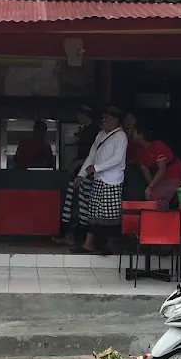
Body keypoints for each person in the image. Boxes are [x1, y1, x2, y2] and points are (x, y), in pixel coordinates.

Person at [78, 105, 128, 253]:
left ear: (116, 120)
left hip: (112, 181)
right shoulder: (100, 135)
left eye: (107, 117)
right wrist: (82, 174)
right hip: (99, 180)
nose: (104, 120)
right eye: (104, 117)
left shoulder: (121, 136)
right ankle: (88, 244)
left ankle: (109, 246)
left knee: (110, 216)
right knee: (93, 213)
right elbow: (91, 156)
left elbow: (117, 159)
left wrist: (97, 167)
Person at [53, 104, 99, 246]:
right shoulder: (86, 130)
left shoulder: (94, 132)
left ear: (86, 115)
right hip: (79, 172)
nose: (78, 117)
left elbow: (93, 156)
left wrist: (78, 162)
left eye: (80, 115)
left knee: (82, 205)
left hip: (86, 174)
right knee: (73, 204)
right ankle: (69, 235)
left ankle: (78, 238)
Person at [131, 123, 181, 210]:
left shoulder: (157, 145)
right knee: (151, 195)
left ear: (140, 135)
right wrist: (151, 187)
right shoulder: (138, 150)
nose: (129, 133)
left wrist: (151, 187)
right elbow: (145, 170)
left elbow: (162, 169)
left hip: (173, 174)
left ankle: (163, 219)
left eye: (132, 132)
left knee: (159, 196)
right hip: (159, 178)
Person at [122, 110, 148, 201]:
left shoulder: (140, 133)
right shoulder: (120, 133)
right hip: (123, 165)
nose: (129, 121)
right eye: (127, 119)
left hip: (138, 166)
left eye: (131, 119)